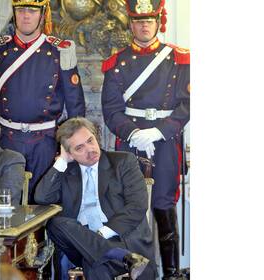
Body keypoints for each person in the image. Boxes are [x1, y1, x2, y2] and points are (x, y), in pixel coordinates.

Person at [101, 0, 190, 279]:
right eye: (138, 21)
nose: (143, 25)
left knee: (163, 204)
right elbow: (111, 109)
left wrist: (160, 131)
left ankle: (171, 274)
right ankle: (132, 270)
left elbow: (188, 104)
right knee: (128, 205)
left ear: (158, 21)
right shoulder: (117, 63)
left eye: (149, 20)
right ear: (131, 23)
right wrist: (133, 133)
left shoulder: (179, 58)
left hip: (164, 141)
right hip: (130, 143)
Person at [34, 117, 157, 280]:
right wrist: (62, 161)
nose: (90, 149)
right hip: (81, 242)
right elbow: (41, 198)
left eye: (90, 141)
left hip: (121, 238)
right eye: (79, 148)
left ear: (95, 137)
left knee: (94, 262)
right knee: (55, 223)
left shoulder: (123, 161)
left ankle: (115, 253)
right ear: (70, 153)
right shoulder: (66, 171)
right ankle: (122, 256)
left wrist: (101, 234)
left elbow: (138, 206)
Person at [0, 0, 86, 203]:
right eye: (21, 10)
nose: (26, 15)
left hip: (45, 142)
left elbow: (75, 103)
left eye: (32, 10)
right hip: (7, 141)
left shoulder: (60, 50)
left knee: (43, 203)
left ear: (43, 13)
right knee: (6, 203)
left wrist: (73, 143)